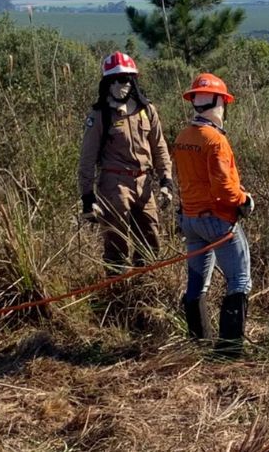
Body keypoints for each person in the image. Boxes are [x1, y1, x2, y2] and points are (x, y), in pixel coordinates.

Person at [172, 73, 254, 358]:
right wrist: (245, 200)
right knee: (240, 281)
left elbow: (183, 179)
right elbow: (224, 189)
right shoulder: (215, 141)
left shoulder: (184, 136)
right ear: (220, 102)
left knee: (197, 282)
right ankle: (230, 351)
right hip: (218, 220)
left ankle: (198, 342)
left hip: (191, 221)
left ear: (195, 101)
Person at [78, 51, 173, 275]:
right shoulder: (100, 114)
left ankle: (145, 291)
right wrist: (87, 196)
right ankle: (116, 292)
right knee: (116, 241)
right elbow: (87, 157)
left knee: (150, 238)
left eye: (125, 79)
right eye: (115, 80)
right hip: (114, 183)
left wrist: (166, 180)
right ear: (107, 83)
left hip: (144, 182)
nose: (120, 85)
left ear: (133, 81)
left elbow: (159, 147)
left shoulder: (147, 110)